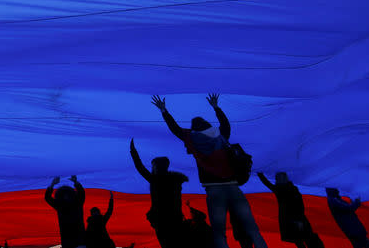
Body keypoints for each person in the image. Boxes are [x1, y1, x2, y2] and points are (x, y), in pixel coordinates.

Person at [152, 94, 267, 248]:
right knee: (244, 223)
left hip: (212, 188)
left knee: (218, 229)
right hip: (231, 184)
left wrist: (164, 111)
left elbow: (175, 129)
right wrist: (216, 108)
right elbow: (226, 125)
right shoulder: (220, 137)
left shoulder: (193, 141)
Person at [129, 141, 188, 248]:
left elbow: (140, 167)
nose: (152, 168)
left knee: (166, 243)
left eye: (153, 166)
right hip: (175, 219)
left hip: (162, 220)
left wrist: (133, 152)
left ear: (157, 167)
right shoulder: (176, 180)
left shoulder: (155, 180)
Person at [258, 172, 323, 248]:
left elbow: (267, 184)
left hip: (291, 217)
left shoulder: (281, 189)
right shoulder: (289, 189)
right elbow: (300, 203)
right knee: (303, 238)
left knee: (301, 238)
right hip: (294, 217)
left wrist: (260, 175)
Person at [44, 175, 86, 248]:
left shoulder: (60, 206)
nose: (66, 197)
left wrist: (52, 184)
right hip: (79, 239)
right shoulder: (77, 203)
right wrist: (76, 182)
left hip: (68, 240)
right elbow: (82, 193)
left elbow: (47, 198)